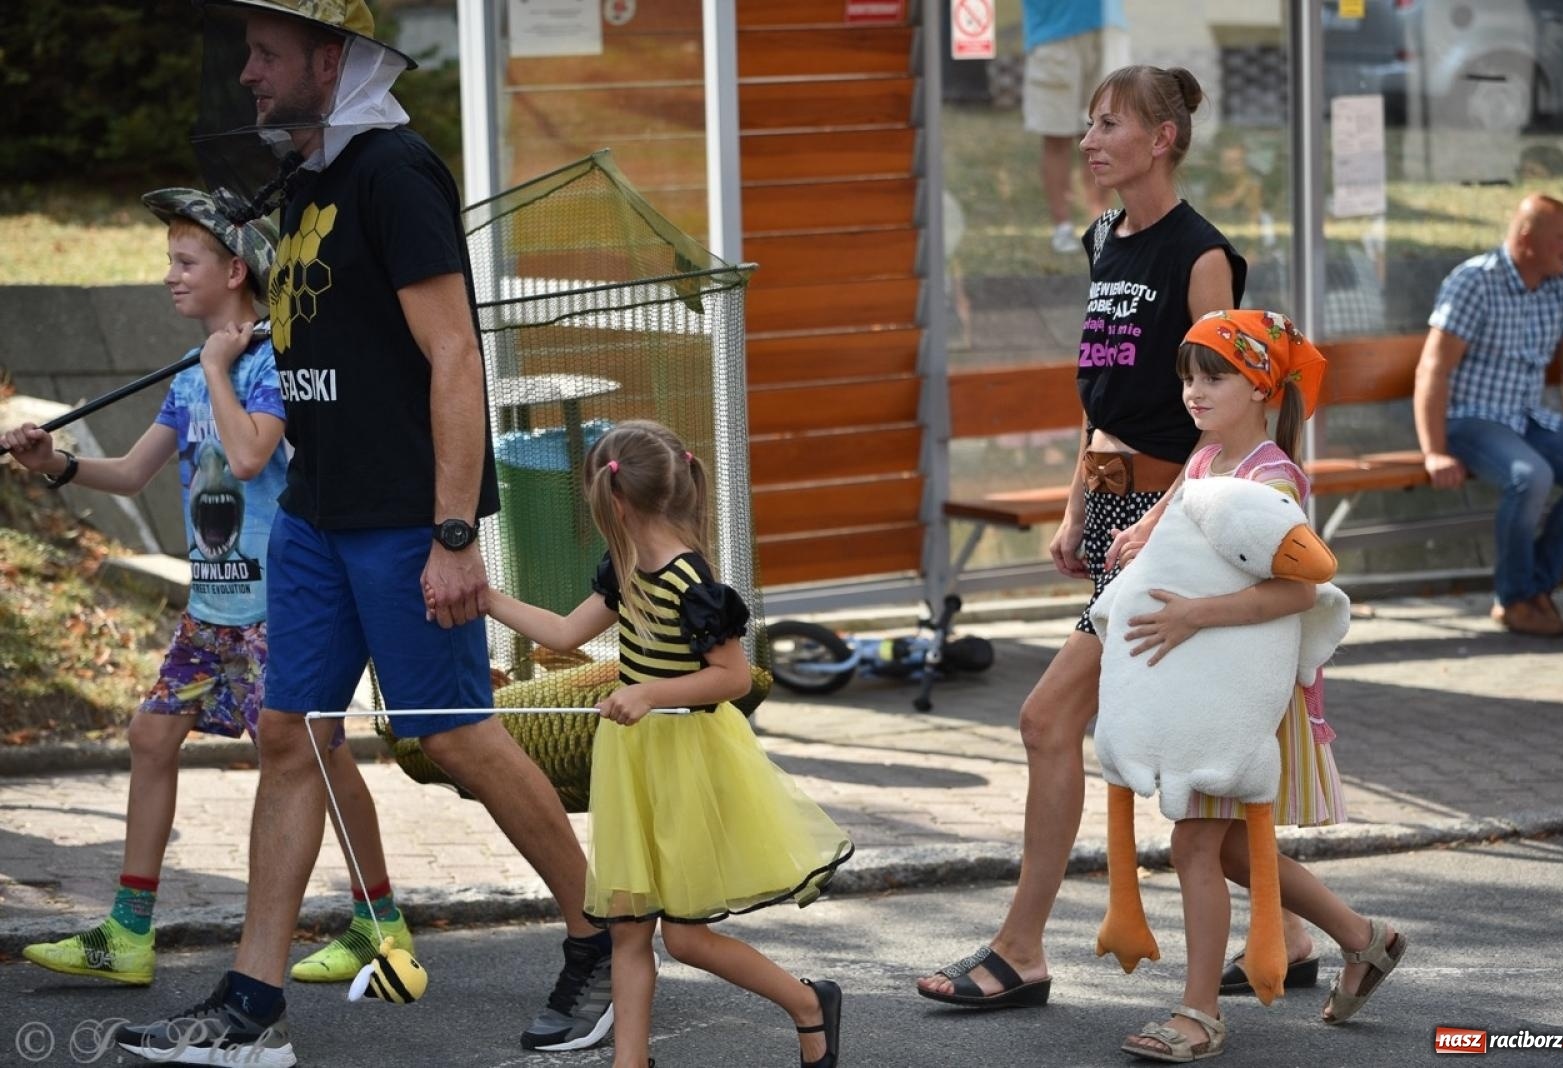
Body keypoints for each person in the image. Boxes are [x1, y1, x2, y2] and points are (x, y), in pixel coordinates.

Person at [115, 4, 610, 1063]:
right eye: (248, 53)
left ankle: (599, 935)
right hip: (314, 514)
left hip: (401, 518)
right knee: (290, 733)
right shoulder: (305, 184)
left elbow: (455, 356)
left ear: (330, 59)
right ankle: (252, 1007)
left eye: (268, 55)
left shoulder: (394, 173)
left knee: (454, 734)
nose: (247, 73)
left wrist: (453, 531)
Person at [917, 64, 1272, 1008]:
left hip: (1175, 523)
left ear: (1162, 139)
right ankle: (1332, 933)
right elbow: (1101, 391)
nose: (1088, 141)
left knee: (1050, 722)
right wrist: (1081, 499)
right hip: (1117, 513)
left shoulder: (1203, 256)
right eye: (1087, 124)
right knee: (1182, 754)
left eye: (1109, 124)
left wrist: (1155, 519)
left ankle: (1020, 949)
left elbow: (1227, 416)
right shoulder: (1103, 238)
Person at [2, 188, 411, 989]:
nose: (169, 276)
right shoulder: (193, 375)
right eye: (169, 261)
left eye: (185, 262)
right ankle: (128, 931)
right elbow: (132, 472)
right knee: (151, 737)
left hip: (280, 609)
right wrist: (55, 464)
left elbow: (252, 455)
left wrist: (220, 367)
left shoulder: (271, 364)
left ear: (234, 271)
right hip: (211, 612)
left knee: (317, 758)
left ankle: (379, 918)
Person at [481, 420, 853, 1068]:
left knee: (684, 939)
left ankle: (807, 1003)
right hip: (634, 763)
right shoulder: (626, 569)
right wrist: (486, 599)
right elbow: (564, 633)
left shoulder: (690, 582)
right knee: (627, 930)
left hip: (687, 762)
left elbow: (733, 677)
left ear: (615, 501)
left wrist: (649, 693)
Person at [1118, 310, 1406, 1061]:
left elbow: (1299, 591)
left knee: (1193, 845)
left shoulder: (1270, 479)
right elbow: (1179, 507)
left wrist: (1193, 615)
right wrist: (1142, 535)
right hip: (1208, 685)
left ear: (1259, 387)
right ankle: (1363, 938)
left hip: (1240, 698)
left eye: (1213, 377)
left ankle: (1199, 1014)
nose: (1193, 391)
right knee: (1234, 852)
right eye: (1187, 377)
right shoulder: (1210, 456)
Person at [1415, 193, 1563, 637]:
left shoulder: (1560, 281)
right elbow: (1433, 369)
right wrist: (1434, 451)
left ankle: (1536, 587)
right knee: (1530, 476)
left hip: (1528, 415)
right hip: (1470, 418)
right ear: (1527, 240)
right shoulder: (1475, 281)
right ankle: (1515, 599)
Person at [1022, 0, 1131, 253]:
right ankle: (1062, 227)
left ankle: (1102, 227)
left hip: (1108, 26)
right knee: (1056, 137)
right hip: (1054, 30)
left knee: (1104, 137)